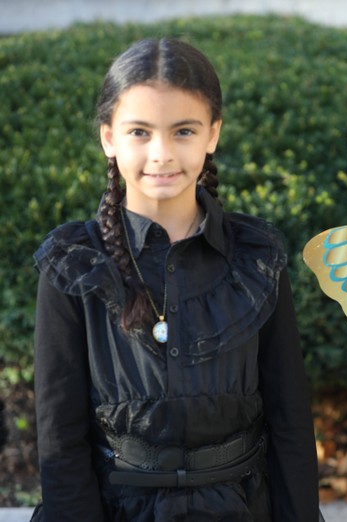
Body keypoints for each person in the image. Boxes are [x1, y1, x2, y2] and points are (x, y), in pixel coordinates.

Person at [32, 38, 321, 521]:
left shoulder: (256, 257)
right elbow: (60, 439)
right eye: (140, 132)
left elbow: (290, 417)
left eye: (183, 131)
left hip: (242, 507)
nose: (162, 154)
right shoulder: (74, 263)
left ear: (213, 134)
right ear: (108, 138)